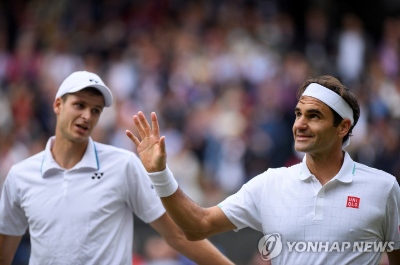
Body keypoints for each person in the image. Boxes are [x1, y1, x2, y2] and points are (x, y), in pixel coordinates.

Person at [127, 75, 400, 265]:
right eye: (298, 114)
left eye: (313, 116)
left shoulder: (384, 188)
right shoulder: (271, 183)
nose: (300, 124)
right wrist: (160, 175)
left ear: (342, 127)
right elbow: (198, 226)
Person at [0, 71, 233, 265]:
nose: (87, 116)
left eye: (95, 110)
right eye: (79, 105)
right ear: (58, 105)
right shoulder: (20, 175)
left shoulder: (124, 165)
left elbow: (178, 235)